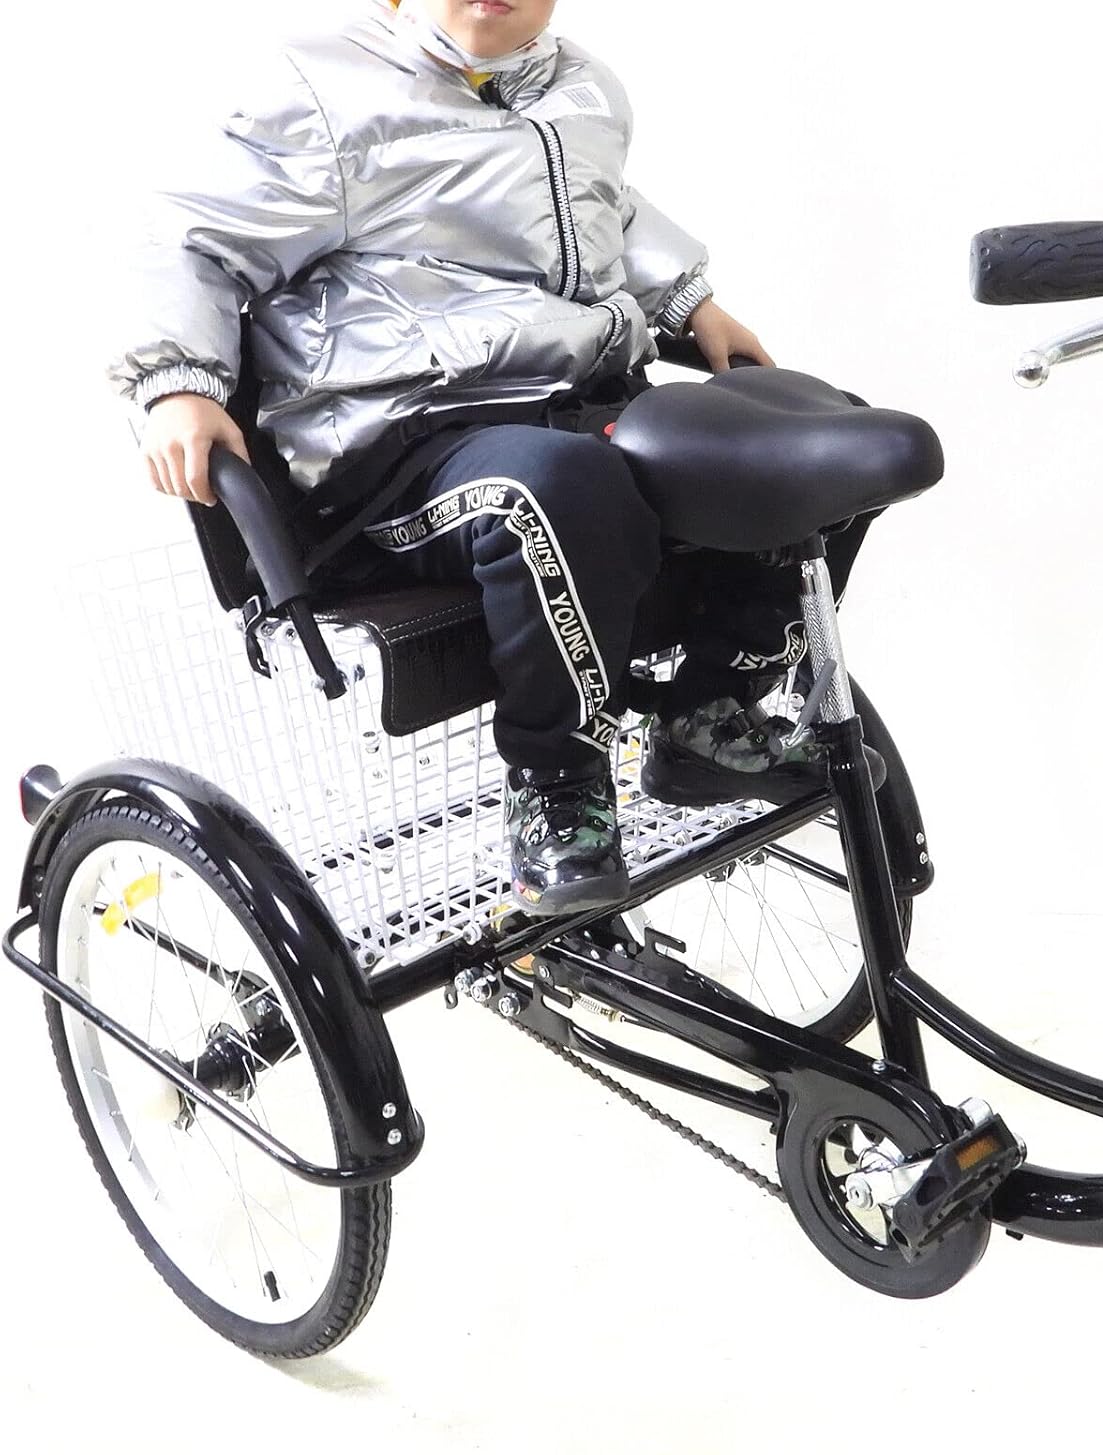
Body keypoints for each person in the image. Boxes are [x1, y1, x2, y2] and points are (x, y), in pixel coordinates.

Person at [108, 0, 872, 914]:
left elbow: (605, 210)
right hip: (406, 437)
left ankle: (711, 713)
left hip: (581, 407)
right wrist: (178, 381)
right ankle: (558, 783)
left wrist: (688, 303)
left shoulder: (581, 87)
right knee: (556, 486)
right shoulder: (318, 90)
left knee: (832, 442)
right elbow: (188, 239)